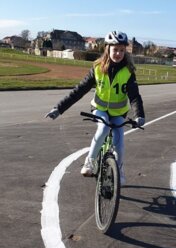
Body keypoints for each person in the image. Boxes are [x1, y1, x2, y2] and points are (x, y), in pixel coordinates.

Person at [45, 30, 145, 185]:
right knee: (103, 129)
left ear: (125, 52)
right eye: (115, 49)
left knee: (119, 139)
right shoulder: (97, 69)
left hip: (118, 113)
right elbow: (79, 90)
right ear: (108, 49)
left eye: (121, 50)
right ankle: (90, 161)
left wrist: (139, 115)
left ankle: (119, 169)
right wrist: (59, 108)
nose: (118, 53)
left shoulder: (128, 72)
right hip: (100, 110)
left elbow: (134, 96)